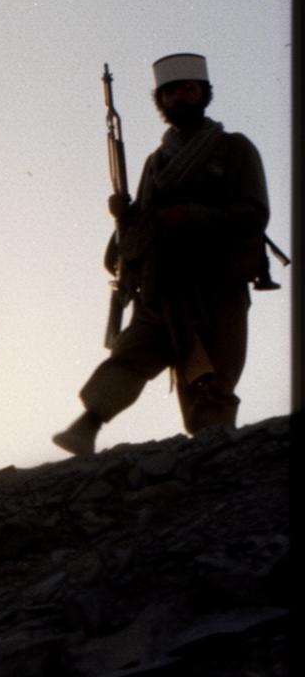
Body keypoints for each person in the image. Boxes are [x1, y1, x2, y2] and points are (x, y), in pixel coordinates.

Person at [54, 52, 272, 455]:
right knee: (131, 355)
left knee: (212, 378)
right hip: (163, 285)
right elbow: (143, 229)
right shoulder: (156, 164)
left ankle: (213, 460)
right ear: (161, 101)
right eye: (169, 92)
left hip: (216, 283)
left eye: (187, 89)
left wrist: (194, 216)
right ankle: (87, 425)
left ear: (203, 93)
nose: (179, 97)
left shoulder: (233, 149)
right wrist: (126, 217)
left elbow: (255, 213)